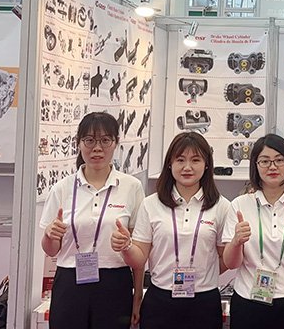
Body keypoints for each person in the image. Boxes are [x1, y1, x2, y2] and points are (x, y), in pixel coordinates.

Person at [112, 132, 230, 329]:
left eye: (195, 160)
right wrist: (126, 245)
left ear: (206, 164)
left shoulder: (222, 206)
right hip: (160, 300)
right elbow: (139, 259)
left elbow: (225, 258)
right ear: (170, 164)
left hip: (204, 302)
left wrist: (204, 272)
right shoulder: (151, 204)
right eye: (180, 160)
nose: (187, 167)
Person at [40, 112, 145, 329]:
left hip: (114, 282)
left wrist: (137, 298)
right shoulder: (62, 188)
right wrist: (50, 235)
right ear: (78, 143)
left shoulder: (131, 187)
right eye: (89, 140)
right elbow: (51, 250)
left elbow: (140, 253)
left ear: (116, 143)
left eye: (105, 140)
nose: (97, 148)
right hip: (70, 281)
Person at [223, 134, 284, 329]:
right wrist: (236, 242)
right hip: (248, 302)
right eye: (265, 161)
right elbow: (231, 263)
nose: (272, 167)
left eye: (279, 160)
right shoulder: (239, 205)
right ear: (255, 165)